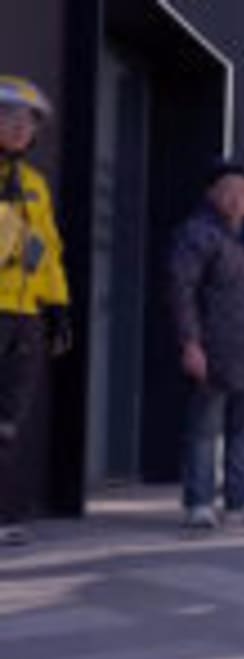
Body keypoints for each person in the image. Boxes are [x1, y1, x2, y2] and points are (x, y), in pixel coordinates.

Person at [168, 160, 244, 531]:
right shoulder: (197, 234)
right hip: (213, 348)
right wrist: (190, 342)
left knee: (241, 429)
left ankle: (241, 501)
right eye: (228, 190)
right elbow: (180, 290)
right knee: (204, 429)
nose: (237, 199)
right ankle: (199, 503)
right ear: (211, 194)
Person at [0, 76, 71, 547]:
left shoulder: (35, 186)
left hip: (25, 316)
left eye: (29, 122)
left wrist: (59, 307)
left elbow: (47, 251)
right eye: (10, 118)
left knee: (7, 422)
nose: (21, 128)